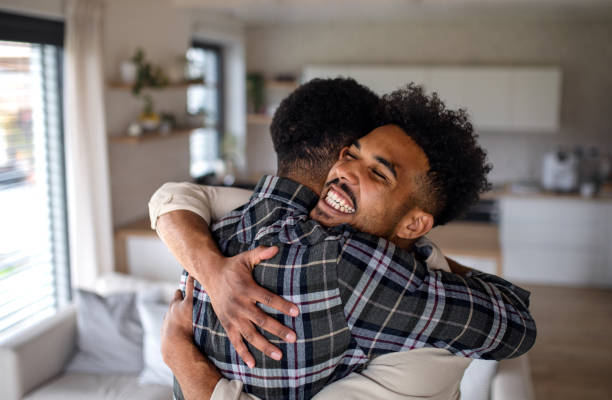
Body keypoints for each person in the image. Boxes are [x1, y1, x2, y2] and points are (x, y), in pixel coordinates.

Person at [150, 81, 536, 400]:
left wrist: (179, 352)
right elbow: (517, 325)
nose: (345, 168)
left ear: (415, 223)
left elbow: (170, 197)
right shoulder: (346, 264)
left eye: (379, 174)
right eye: (351, 154)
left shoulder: (234, 220)